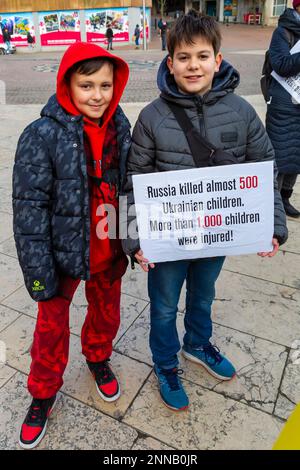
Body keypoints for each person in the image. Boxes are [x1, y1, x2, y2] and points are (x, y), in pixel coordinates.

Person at [122, 11, 288, 412]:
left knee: (204, 295)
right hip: (168, 240)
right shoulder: (152, 117)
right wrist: (134, 240)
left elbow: (266, 168)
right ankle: (165, 364)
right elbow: (132, 181)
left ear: (217, 58)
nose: (192, 65)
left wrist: (273, 226)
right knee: (163, 306)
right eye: (183, 57)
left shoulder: (242, 112)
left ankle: (197, 343)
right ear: (170, 63)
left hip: (218, 233)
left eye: (201, 56)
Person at [13, 42, 130, 449]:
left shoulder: (121, 126)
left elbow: (129, 188)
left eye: (105, 85)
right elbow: (28, 209)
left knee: (105, 313)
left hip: (107, 247)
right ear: (67, 85)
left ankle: (98, 357)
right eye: (86, 85)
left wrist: (132, 241)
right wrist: (38, 271)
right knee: (50, 329)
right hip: (61, 256)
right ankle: (42, 393)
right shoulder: (40, 135)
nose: (97, 95)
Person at [265, 1, 300, 218]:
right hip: (283, 106)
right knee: (280, 156)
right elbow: (282, 65)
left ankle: (286, 197)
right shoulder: (282, 32)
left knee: (296, 156)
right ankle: (273, 203)